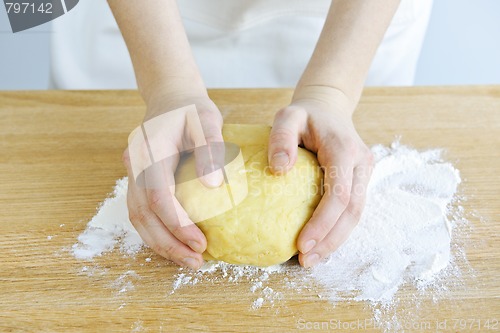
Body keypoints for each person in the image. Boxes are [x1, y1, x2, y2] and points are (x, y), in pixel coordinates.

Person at [51, 0, 433, 270]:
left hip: (344, 25)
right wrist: (168, 86)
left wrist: (331, 92)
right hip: (141, 24)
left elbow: (334, 91)